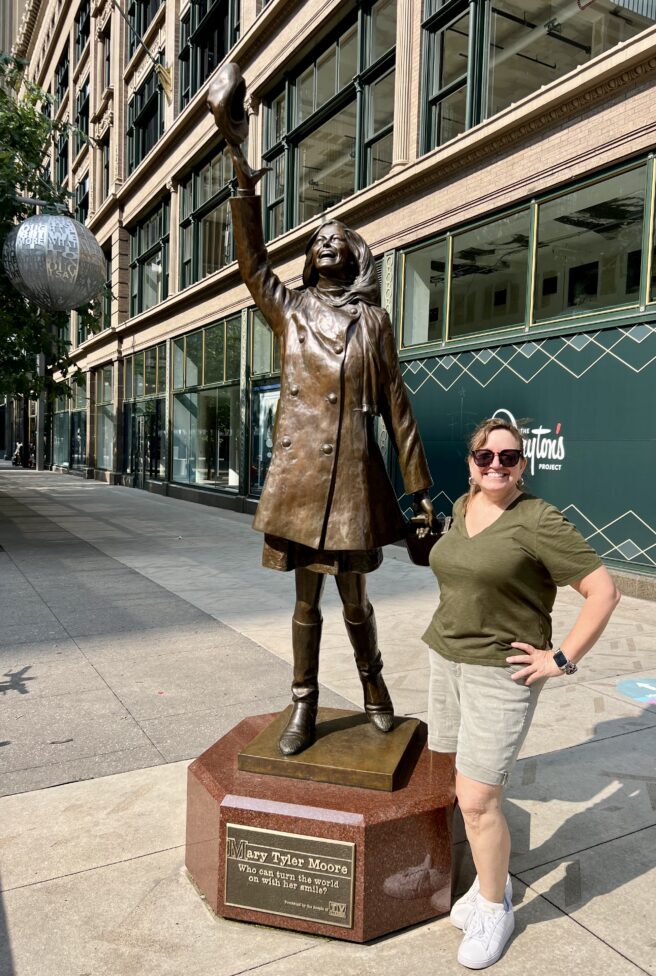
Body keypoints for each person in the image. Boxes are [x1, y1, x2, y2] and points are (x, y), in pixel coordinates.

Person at [207, 64, 434, 756]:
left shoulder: (375, 321)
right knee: (306, 600)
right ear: (310, 261)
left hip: (356, 480)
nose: (327, 241)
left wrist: (420, 492)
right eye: (317, 240)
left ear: (356, 255)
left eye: (339, 238)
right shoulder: (291, 311)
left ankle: (374, 690)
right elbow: (250, 263)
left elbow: (396, 401)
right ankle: (303, 703)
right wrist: (241, 163)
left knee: (357, 600)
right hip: (305, 480)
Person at [422, 417, 620, 969]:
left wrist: (560, 658)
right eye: (485, 457)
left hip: (498, 675)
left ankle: (494, 906)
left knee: (479, 800)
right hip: (446, 659)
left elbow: (603, 591)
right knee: (460, 783)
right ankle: (489, 882)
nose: (496, 467)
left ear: (522, 466)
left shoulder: (538, 520)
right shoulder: (462, 508)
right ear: (470, 462)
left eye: (508, 458)